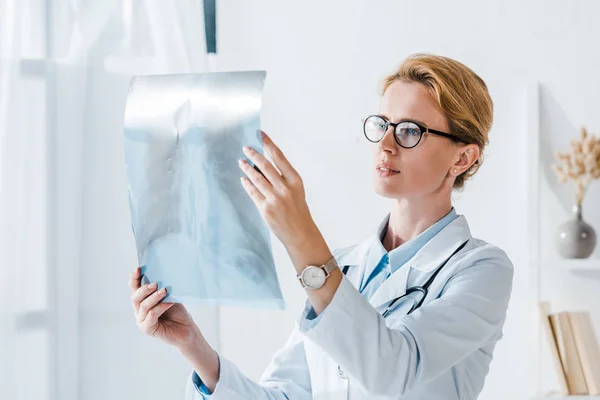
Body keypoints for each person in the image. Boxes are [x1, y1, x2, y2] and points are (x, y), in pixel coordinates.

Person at [129, 53, 514, 399]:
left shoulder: (481, 270)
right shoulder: (343, 267)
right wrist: (192, 344)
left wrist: (301, 235)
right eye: (382, 125)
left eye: (410, 131)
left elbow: (393, 372)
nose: (386, 144)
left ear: (462, 158)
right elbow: (283, 396)